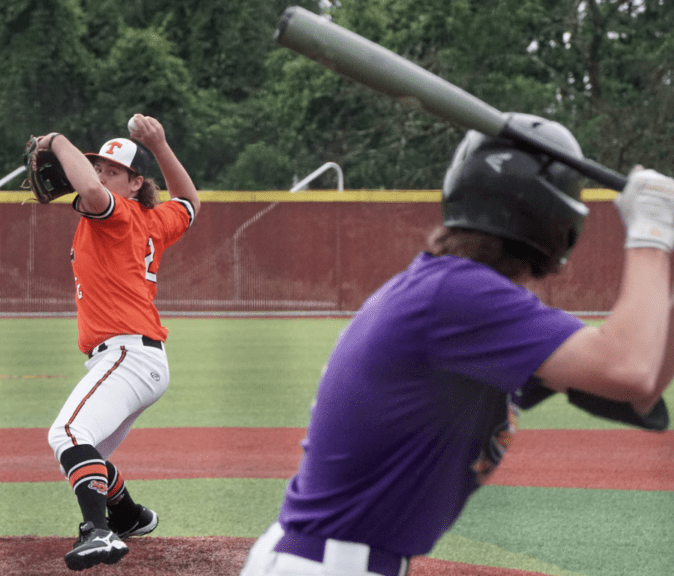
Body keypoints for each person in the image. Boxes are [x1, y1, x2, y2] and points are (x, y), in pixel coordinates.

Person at [240, 113, 674, 576]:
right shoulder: (457, 296)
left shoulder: (461, 300)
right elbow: (628, 367)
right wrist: (651, 233)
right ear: (557, 218)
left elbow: (637, 389)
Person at [39, 114, 200, 571]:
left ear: (134, 184)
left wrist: (56, 139)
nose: (100, 175)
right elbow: (188, 200)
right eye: (99, 167)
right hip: (139, 358)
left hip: (127, 354)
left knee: (68, 434)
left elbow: (89, 192)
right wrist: (162, 144)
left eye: (113, 171)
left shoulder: (112, 213)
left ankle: (99, 532)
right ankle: (129, 515)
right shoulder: (155, 218)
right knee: (89, 456)